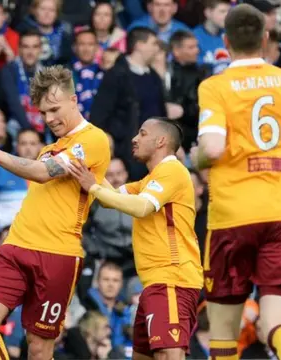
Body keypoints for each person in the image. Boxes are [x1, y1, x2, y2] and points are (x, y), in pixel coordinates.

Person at [192, 4, 281, 360]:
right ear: (266, 38)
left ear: (226, 41)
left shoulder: (215, 86)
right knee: (276, 324)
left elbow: (211, 147)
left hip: (232, 217)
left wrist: (195, 158)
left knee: (224, 332)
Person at [0, 65, 111, 360]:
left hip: (56, 255)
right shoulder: (50, 147)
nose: (50, 119)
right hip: (15, 247)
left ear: (74, 100)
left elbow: (44, 173)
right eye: (43, 113)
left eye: (54, 109)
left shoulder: (93, 140)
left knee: (39, 347)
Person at [68, 118, 202, 360]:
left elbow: (141, 207)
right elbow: (110, 197)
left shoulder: (172, 170)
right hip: (153, 283)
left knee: (168, 354)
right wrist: (90, 168)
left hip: (172, 278)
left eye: (142, 133)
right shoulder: (150, 180)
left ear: (161, 141)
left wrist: (94, 187)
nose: (134, 139)